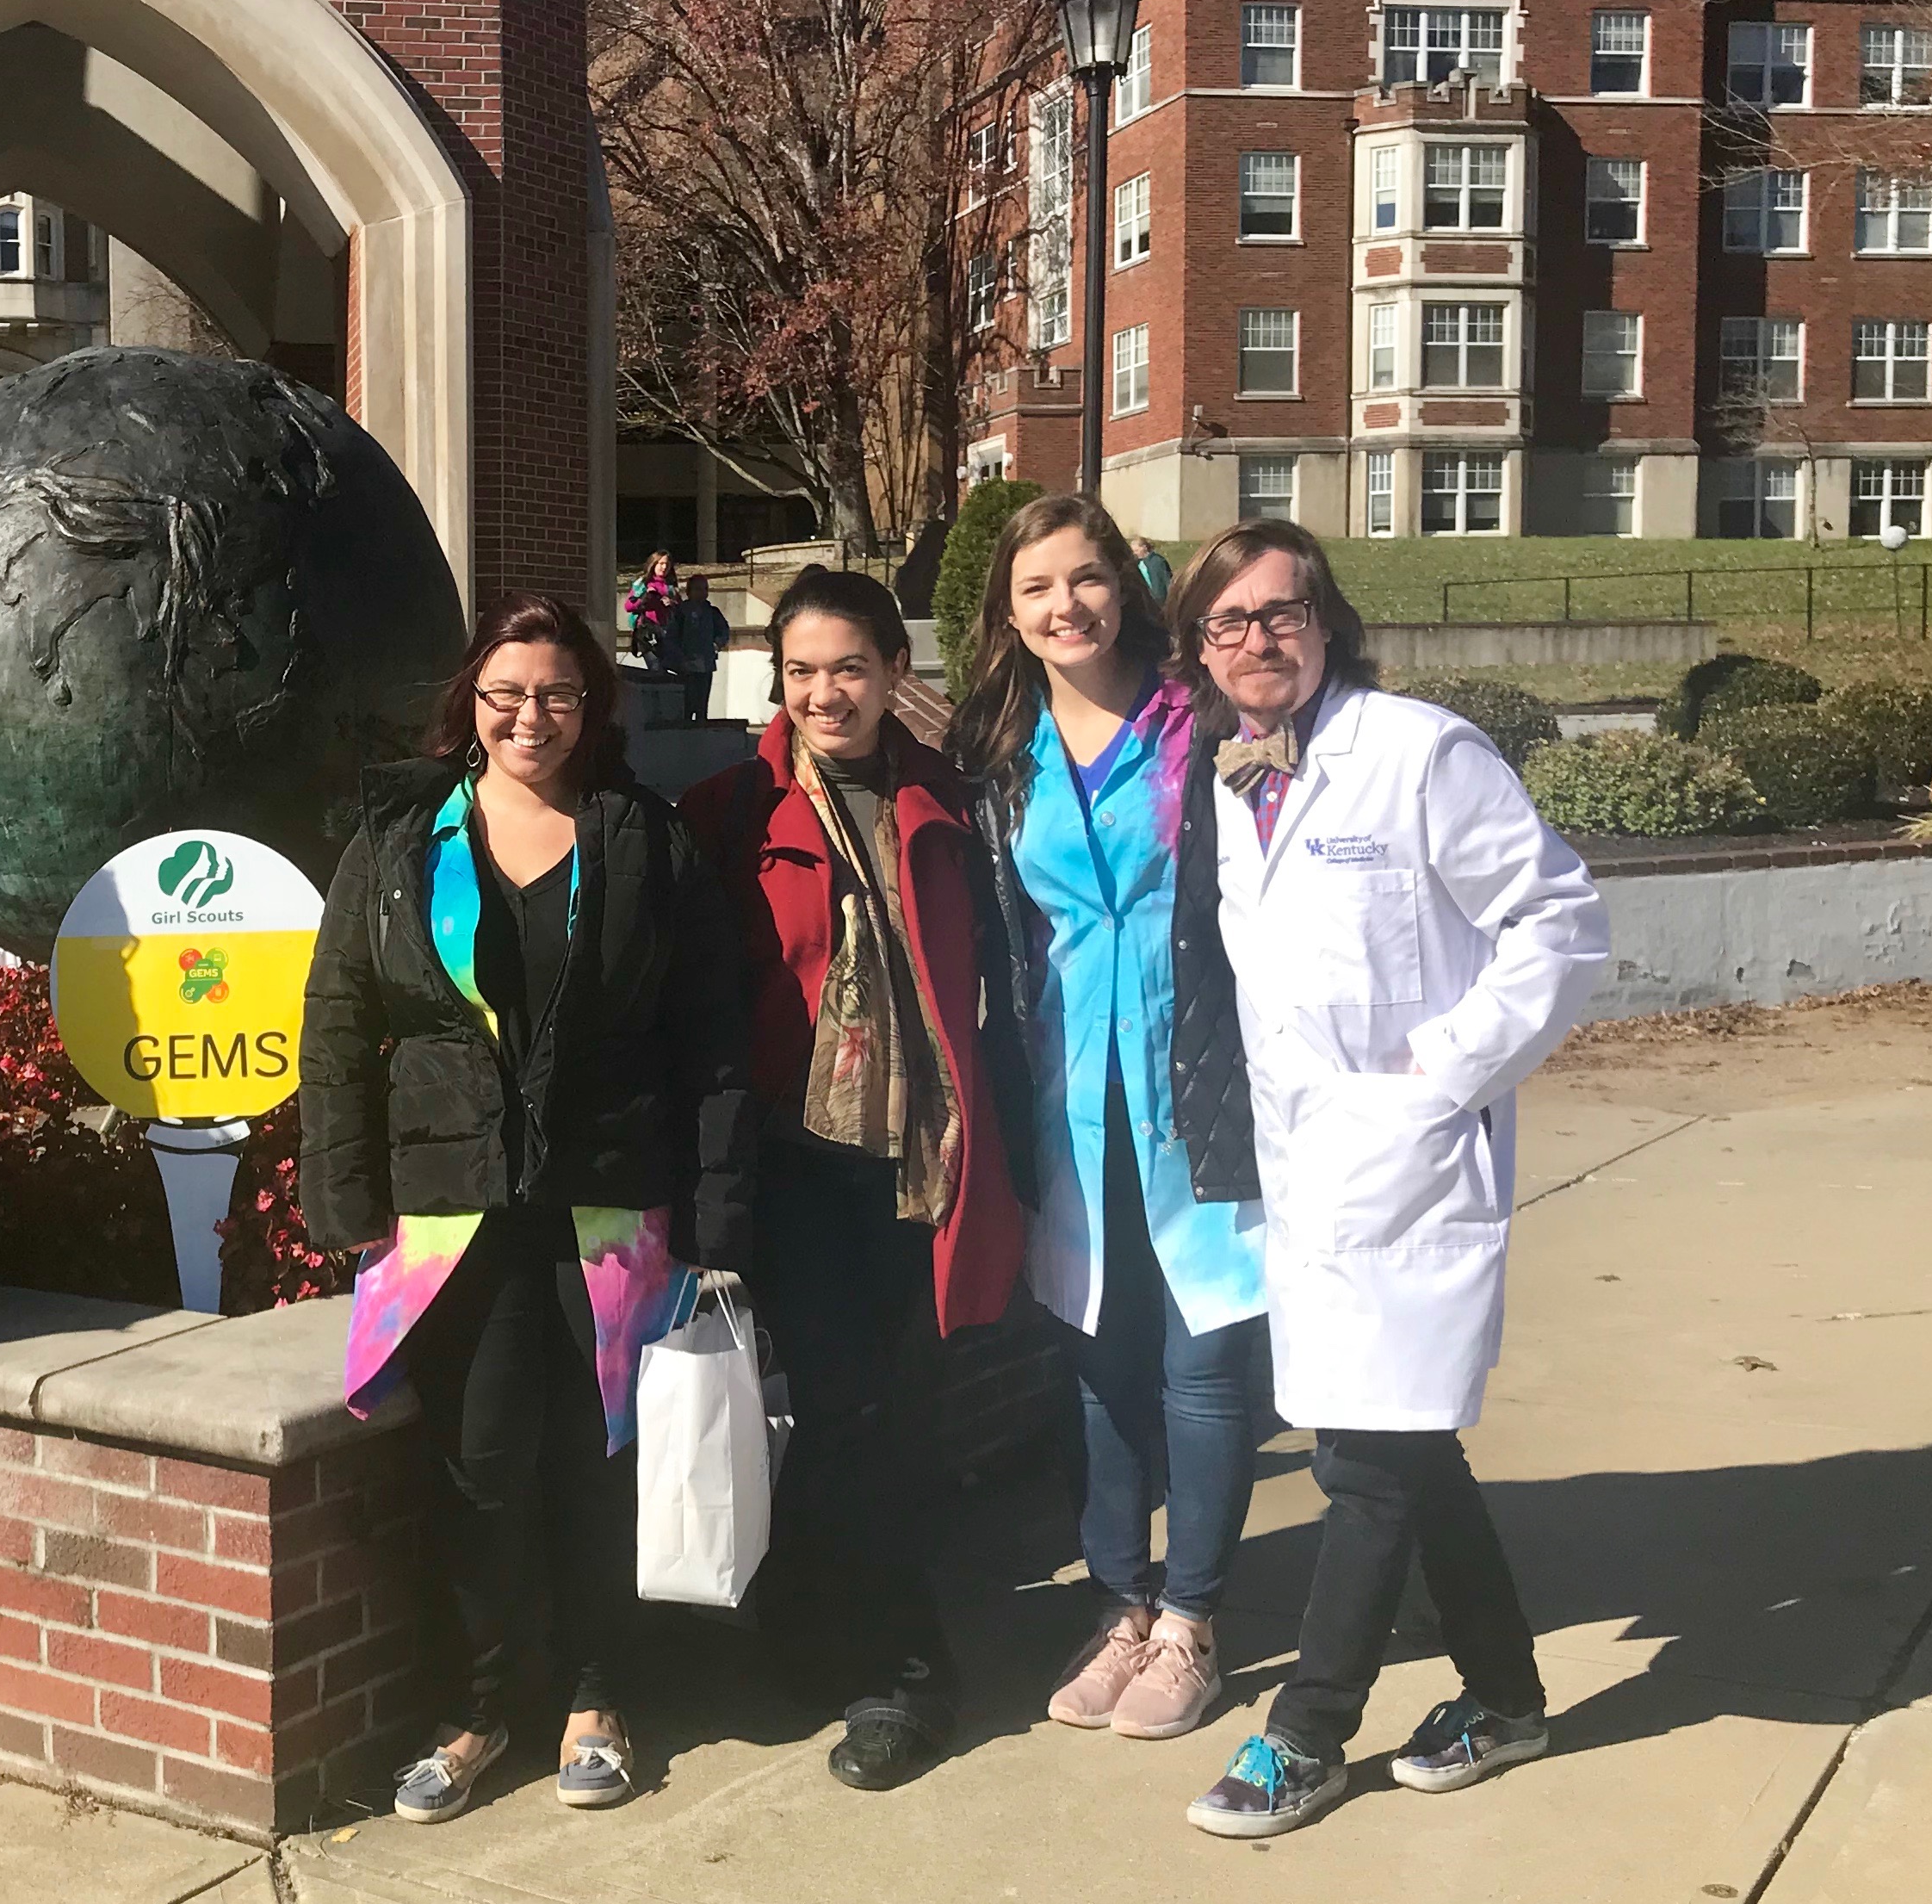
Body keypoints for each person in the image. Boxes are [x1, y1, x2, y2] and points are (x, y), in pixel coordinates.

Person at [1168, 521, 1608, 1839]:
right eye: (1227, 622)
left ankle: (1305, 1733)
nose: (1257, 640)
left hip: (1413, 1160)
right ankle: (1511, 1699)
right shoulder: (1232, 785)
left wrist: (1439, 1076)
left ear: (1328, 620)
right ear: (1201, 649)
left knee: (1364, 1457)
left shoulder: (1417, 752)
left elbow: (1560, 920)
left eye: (1281, 614)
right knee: (1412, 1446)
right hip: (1311, 1171)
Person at [301, 589, 751, 1824]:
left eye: (556, 694)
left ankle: (599, 1697)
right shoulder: (402, 843)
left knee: (600, 1459)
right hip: (453, 1210)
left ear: (591, 706)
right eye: (506, 695)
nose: (530, 717)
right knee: (480, 1466)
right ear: (471, 705)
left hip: (609, 1203)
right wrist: (343, 1193)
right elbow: (339, 1020)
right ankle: (480, 1706)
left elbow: (710, 1036)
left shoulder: (642, 839)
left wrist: (716, 1212)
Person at [681, 567, 1019, 1793]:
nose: (827, 693)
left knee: (887, 1412)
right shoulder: (730, 811)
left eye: (852, 668)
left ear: (892, 673)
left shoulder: (949, 799)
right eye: (804, 671)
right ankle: (895, 1664)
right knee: (845, 1412)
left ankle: (841, 1636)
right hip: (797, 1165)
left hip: (926, 1163)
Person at [950, 499, 1268, 1745]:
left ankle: (1193, 1617)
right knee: (1098, 1359)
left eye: (1084, 580)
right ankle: (1119, 1604)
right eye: (1036, 590)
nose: (1064, 607)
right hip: (1070, 1089)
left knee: (1203, 1360)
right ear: (1008, 613)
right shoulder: (1003, 747)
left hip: (1199, 1077)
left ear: (1122, 587)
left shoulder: (1202, 718)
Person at [665, 574, 733, 716]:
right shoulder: (681, 612)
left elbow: (724, 631)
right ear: (689, 592)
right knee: (686, 706)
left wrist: (717, 644)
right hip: (686, 666)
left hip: (705, 665)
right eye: (697, 589)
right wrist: (679, 657)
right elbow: (672, 636)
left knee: (702, 706)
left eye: (704, 589)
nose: (701, 592)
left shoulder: (713, 612)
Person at [623, 549, 682, 669]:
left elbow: (681, 610)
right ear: (654, 564)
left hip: (668, 634)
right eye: (661, 563)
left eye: (667, 564)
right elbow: (629, 606)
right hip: (648, 634)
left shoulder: (671, 587)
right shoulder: (643, 583)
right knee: (655, 667)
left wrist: (672, 603)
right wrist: (645, 599)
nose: (664, 567)